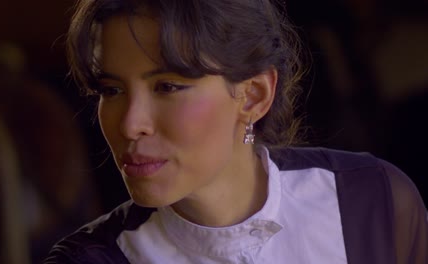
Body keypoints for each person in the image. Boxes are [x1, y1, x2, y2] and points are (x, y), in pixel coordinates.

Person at [44, 0, 427, 263]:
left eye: (167, 87)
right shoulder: (93, 258)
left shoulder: (371, 201)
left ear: (253, 96)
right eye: (112, 90)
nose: (130, 124)